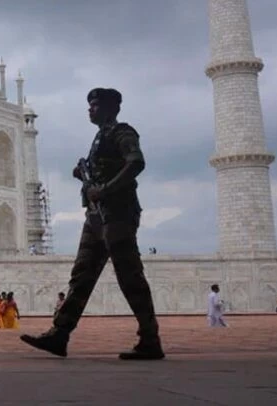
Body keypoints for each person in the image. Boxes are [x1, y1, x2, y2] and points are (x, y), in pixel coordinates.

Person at [21, 88, 164, 360]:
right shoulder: (100, 138)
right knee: (81, 276)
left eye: (95, 105)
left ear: (111, 108)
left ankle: (150, 339)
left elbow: (136, 163)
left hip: (118, 214)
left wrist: (106, 189)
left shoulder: (123, 132)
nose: (90, 110)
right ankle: (59, 334)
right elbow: (103, 172)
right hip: (96, 217)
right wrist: (83, 176)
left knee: (130, 277)